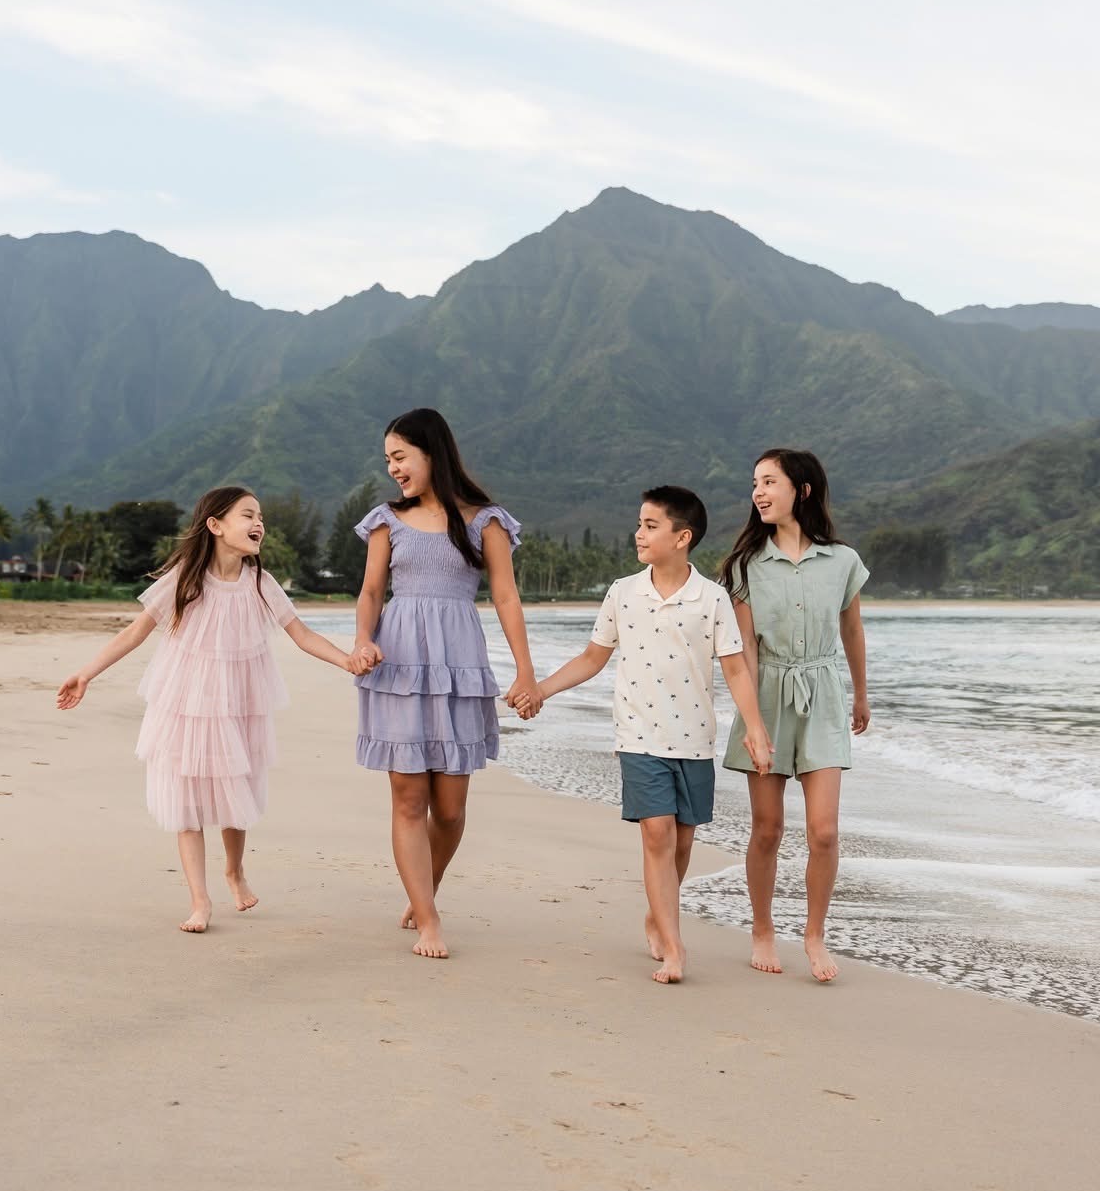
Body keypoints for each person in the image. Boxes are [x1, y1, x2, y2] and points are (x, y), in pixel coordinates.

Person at [57, 486, 361, 933]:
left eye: (260, 516)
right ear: (216, 526)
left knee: (235, 795)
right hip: (186, 702)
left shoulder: (260, 581)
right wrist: (86, 673)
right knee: (187, 801)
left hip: (239, 702)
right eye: (247, 515)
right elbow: (135, 633)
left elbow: (302, 634)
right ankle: (200, 901)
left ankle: (234, 871)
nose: (259, 523)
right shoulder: (186, 579)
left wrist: (347, 660)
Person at [525, 486, 771, 982]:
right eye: (639, 524)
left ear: (683, 538)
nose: (639, 533)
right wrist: (542, 689)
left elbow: (738, 671)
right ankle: (675, 946)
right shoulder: (623, 592)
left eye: (651, 525)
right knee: (657, 834)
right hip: (637, 735)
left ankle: (658, 916)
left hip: (694, 739)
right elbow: (593, 658)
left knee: (681, 844)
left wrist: (756, 730)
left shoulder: (713, 598)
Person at [351, 408, 538, 959]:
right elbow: (369, 591)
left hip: (459, 662)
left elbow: (505, 596)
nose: (393, 469)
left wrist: (525, 671)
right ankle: (428, 917)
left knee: (451, 809)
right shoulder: (386, 519)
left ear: (431, 452)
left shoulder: (486, 521)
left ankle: (422, 887)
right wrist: (363, 640)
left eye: (400, 457)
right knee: (409, 799)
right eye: (388, 460)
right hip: (400, 661)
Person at [719, 450, 872, 982]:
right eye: (755, 483)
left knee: (824, 832)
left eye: (769, 482)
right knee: (767, 829)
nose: (759, 492)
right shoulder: (744, 566)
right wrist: (755, 724)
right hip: (767, 693)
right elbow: (745, 651)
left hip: (825, 694)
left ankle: (813, 933)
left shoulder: (843, 561)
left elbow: (852, 631)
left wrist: (860, 695)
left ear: (801, 490)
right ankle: (762, 927)